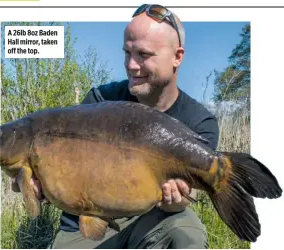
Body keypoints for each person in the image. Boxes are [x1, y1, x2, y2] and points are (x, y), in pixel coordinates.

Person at [12, 4, 219, 249]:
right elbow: (68, 172)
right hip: (84, 222)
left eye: (143, 54)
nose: (131, 65)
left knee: (186, 233)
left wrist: (176, 199)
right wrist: (43, 184)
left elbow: (188, 196)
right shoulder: (100, 101)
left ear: (177, 56)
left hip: (153, 218)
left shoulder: (199, 121)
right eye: (127, 53)